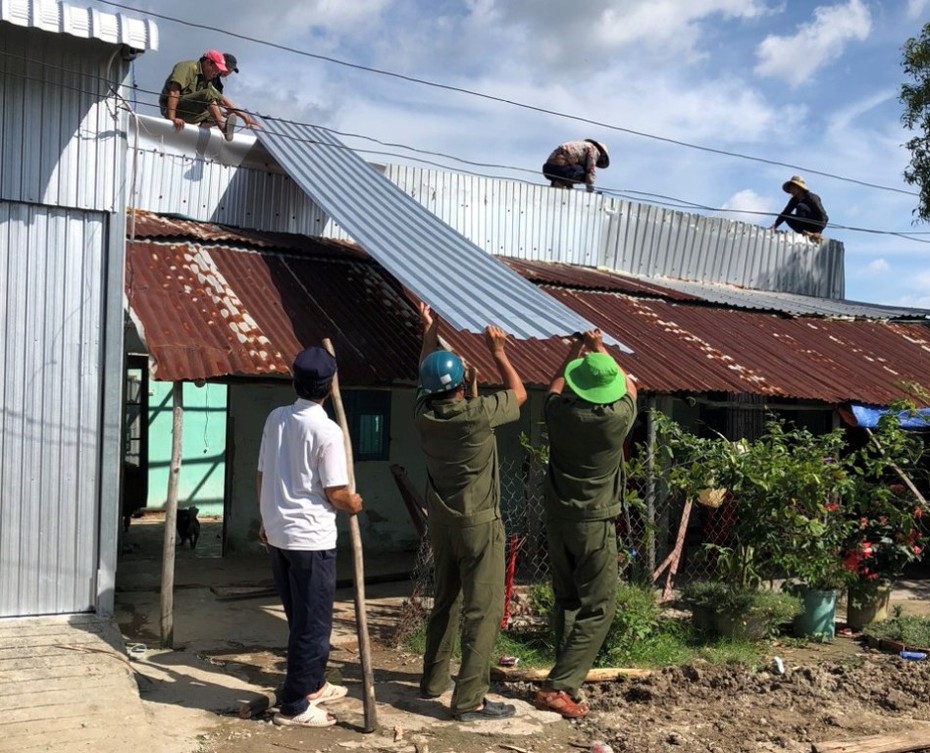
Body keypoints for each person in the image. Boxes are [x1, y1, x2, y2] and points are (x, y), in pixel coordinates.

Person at [415, 303, 527, 722]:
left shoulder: (423, 415)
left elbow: (426, 371)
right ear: (463, 384)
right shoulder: (477, 415)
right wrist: (498, 352)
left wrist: (430, 330)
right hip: (480, 526)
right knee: (482, 610)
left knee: (444, 600)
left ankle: (432, 681)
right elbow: (518, 395)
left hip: (442, 523)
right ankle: (470, 699)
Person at [533, 329, 637, 719]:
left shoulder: (559, 414)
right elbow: (629, 386)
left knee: (567, 600)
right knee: (600, 607)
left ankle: (564, 677)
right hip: (595, 522)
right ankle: (559, 686)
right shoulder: (616, 419)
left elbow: (555, 386)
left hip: (558, 520)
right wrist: (598, 349)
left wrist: (576, 352)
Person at [257, 346, 363, 728]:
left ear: (294, 380)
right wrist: (352, 502)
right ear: (330, 385)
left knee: (298, 617)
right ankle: (295, 705)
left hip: (280, 535)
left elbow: (262, 475)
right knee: (312, 625)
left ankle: (314, 683)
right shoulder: (327, 430)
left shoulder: (276, 418)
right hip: (311, 540)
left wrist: (266, 519)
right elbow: (335, 492)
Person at [158, 50, 252, 140]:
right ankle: (223, 129)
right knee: (208, 94)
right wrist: (172, 119)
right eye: (215, 70)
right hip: (171, 109)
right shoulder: (187, 67)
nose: (216, 74)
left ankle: (197, 135)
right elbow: (174, 92)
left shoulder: (207, 79)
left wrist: (244, 117)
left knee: (217, 112)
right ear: (208, 62)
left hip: (185, 111)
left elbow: (222, 99)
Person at [209, 52, 260, 129]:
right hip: (192, 105)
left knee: (216, 114)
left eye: (230, 71)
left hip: (202, 107)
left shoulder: (218, 84)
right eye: (228, 69)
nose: (228, 73)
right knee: (213, 114)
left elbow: (219, 101)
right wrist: (244, 117)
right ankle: (222, 128)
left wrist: (224, 112)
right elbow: (222, 99)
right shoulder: (209, 75)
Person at [542, 139, 610, 192]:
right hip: (560, 168)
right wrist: (590, 186)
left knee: (577, 169)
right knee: (584, 174)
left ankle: (558, 184)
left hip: (547, 169)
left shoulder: (581, 146)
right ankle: (561, 183)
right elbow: (590, 170)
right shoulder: (594, 149)